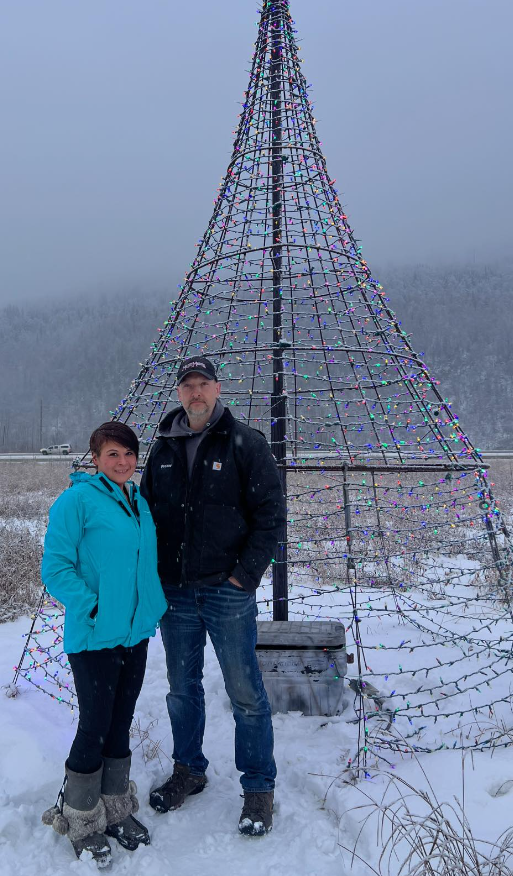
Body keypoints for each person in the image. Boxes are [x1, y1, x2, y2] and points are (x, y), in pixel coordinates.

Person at [141, 355, 285, 836]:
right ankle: (189, 770)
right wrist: (151, 577)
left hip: (227, 591)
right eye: (188, 385)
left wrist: (244, 577)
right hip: (176, 594)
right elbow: (145, 518)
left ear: (218, 388)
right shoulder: (162, 448)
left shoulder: (245, 443)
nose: (195, 392)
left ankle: (259, 789)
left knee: (245, 692)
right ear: (179, 393)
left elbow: (270, 517)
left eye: (203, 383)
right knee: (182, 690)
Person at [40, 421, 168, 865]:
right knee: (94, 724)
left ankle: (115, 809)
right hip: (94, 635)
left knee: (121, 721)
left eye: (129, 454)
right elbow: (55, 568)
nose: (122, 462)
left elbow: (141, 563)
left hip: (134, 633)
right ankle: (81, 817)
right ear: (94, 459)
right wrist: (92, 607)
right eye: (112, 454)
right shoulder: (76, 501)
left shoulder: (138, 501)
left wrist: (151, 607)